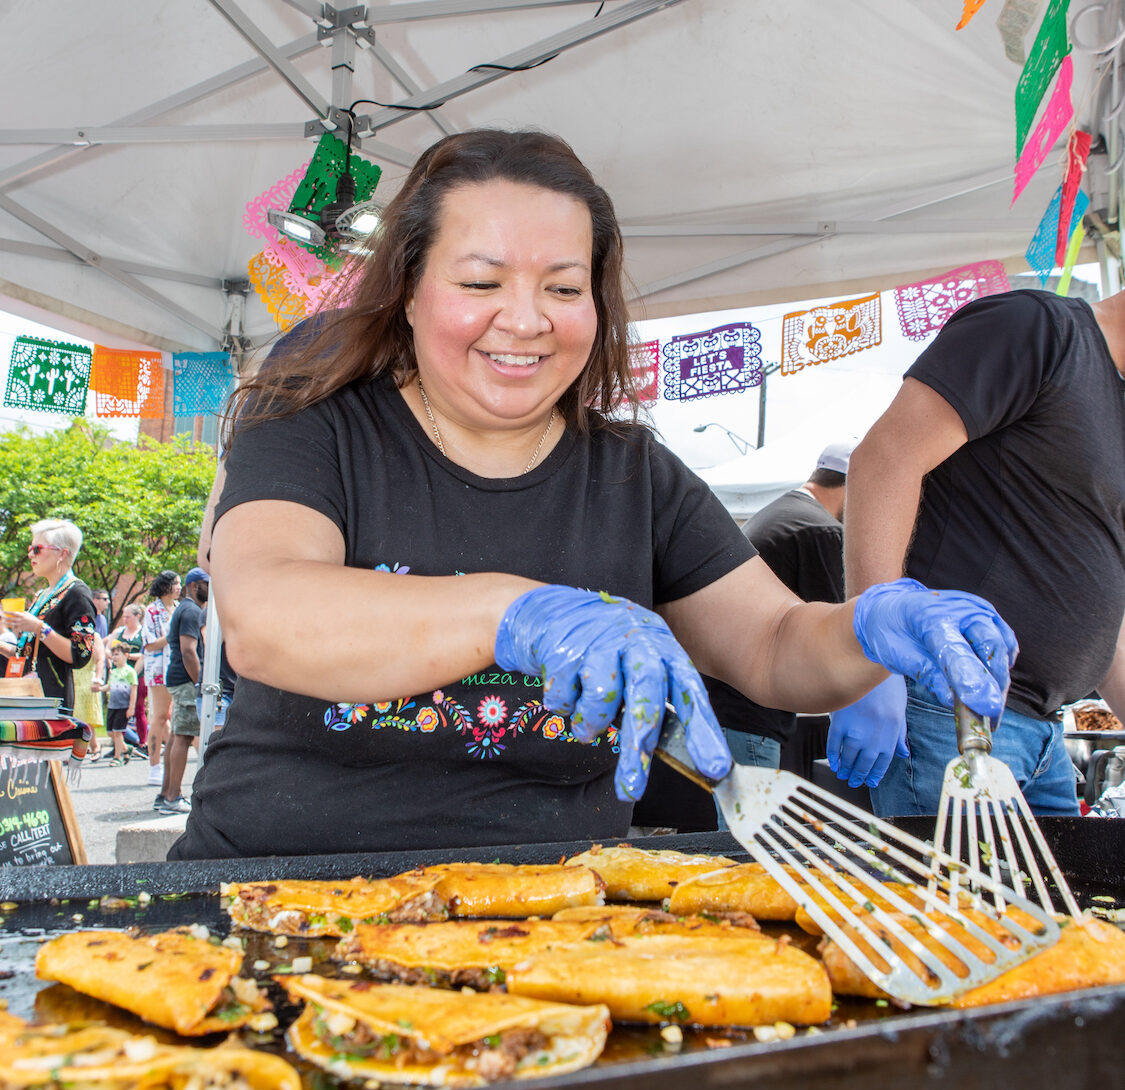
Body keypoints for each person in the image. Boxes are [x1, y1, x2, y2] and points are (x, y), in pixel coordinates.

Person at [169, 129, 1017, 861]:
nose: (526, 317)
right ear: (410, 289)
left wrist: (872, 623)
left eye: (564, 288)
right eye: (480, 282)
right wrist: (516, 614)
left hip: (556, 923)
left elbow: (774, 645)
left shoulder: (631, 472)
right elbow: (266, 614)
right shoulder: (317, 421)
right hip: (275, 893)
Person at [831, 287, 1125, 817]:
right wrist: (871, 660)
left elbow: (1104, 607)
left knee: (1058, 901)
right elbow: (885, 459)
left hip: (1044, 734)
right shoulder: (1039, 330)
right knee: (952, 901)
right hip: (948, 711)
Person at [707, 440, 854, 769]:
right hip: (750, 715)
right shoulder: (820, 530)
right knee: (749, 820)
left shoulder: (779, 513)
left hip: (724, 705)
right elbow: (836, 641)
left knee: (733, 818)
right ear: (853, 485)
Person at [0, 519, 96, 712]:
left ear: (62, 553)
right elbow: (26, 653)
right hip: (27, 695)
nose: (30, 554)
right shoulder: (42, 595)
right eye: (30, 548)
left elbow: (80, 654)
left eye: (37, 548)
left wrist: (39, 628)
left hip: (50, 700)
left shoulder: (76, 593)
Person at [156, 567, 208, 815]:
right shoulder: (191, 611)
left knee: (178, 735)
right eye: (208, 584)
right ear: (196, 585)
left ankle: (166, 794)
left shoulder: (185, 608)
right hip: (186, 680)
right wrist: (201, 684)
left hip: (178, 678)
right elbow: (189, 651)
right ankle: (172, 797)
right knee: (185, 737)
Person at [142, 571, 180, 788]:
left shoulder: (179, 608)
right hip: (158, 668)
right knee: (159, 716)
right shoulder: (152, 610)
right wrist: (173, 635)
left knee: (171, 717)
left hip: (176, 666)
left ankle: (168, 761)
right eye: (175, 584)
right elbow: (149, 643)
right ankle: (154, 766)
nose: (178, 588)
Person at [110, 603, 149, 756]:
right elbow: (109, 648)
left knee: (137, 709)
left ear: (138, 616)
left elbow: (145, 653)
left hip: (136, 675)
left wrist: (129, 659)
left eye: (128, 616)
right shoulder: (119, 632)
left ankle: (142, 743)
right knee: (117, 710)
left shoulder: (143, 633)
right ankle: (119, 746)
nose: (124, 619)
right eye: (123, 616)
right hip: (118, 677)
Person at [100, 640, 138, 765]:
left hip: (123, 706)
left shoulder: (130, 671)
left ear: (126, 655)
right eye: (113, 655)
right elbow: (109, 686)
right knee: (110, 732)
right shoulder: (114, 672)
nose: (114, 657)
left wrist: (131, 707)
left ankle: (117, 757)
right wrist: (99, 689)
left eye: (117, 654)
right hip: (113, 705)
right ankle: (127, 748)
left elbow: (133, 690)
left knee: (118, 732)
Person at [71, 629, 106, 761]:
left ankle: (95, 746)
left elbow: (100, 659)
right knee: (73, 715)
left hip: (87, 677)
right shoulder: (70, 634)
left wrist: (97, 679)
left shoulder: (94, 636)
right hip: (72, 677)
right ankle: (74, 748)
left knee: (87, 716)